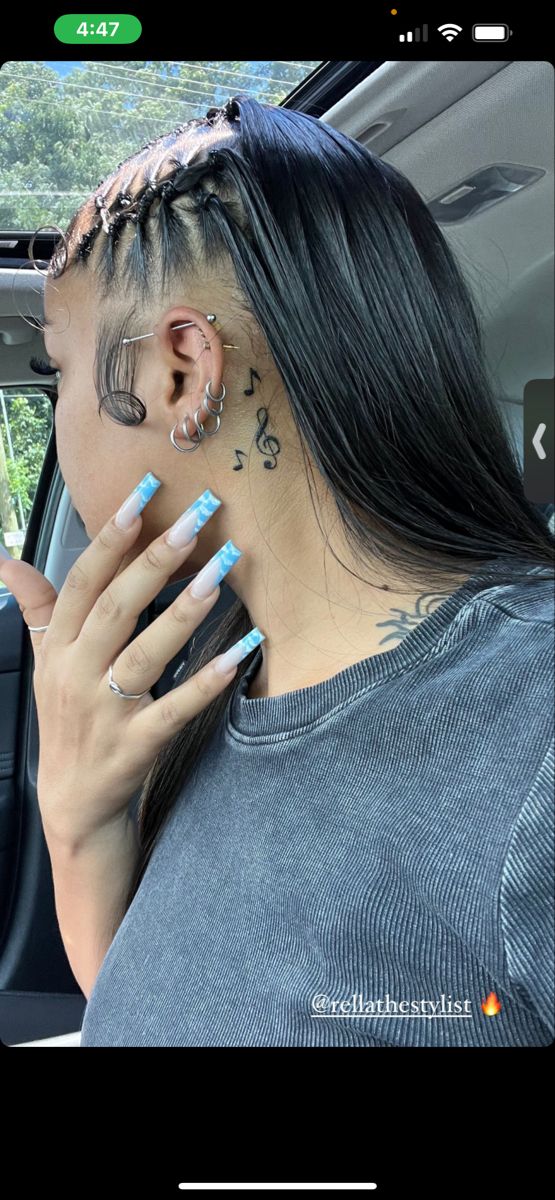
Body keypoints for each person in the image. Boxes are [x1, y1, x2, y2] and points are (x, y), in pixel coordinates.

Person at [13, 95, 555, 1045]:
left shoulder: (533, 729)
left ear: (180, 373)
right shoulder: (213, 674)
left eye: (61, 368)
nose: (64, 412)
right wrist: (76, 823)